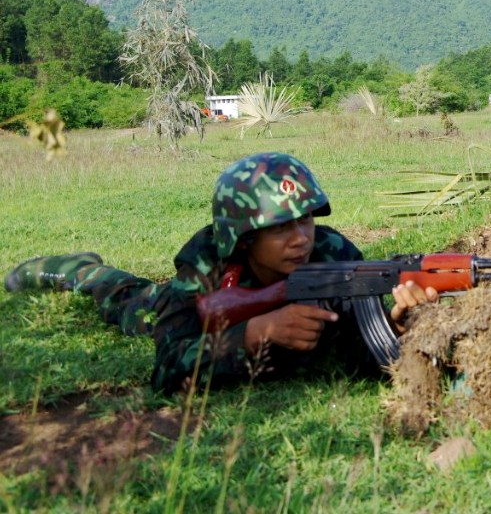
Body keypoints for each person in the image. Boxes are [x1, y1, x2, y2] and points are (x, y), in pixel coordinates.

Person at [4, 151, 437, 394]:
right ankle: (78, 269)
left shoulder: (334, 252)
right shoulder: (205, 262)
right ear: (243, 237)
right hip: (177, 306)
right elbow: (167, 370)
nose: (301, 239)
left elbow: (359, 351)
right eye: (280, 227)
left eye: (305, 220)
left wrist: (397, 325)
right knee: (131, 301)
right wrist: (256, 333)